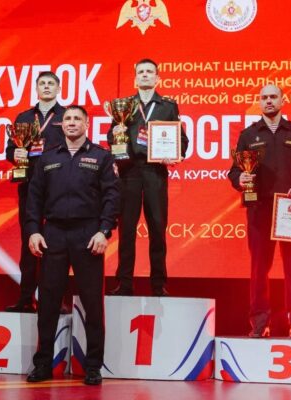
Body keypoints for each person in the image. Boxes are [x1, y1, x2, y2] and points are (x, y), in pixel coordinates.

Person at [24, 105, 119, 385]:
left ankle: (93, 366)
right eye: (67, 119)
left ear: (87, 124)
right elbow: (34, 198)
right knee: (48, 303)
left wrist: (104, 231)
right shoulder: (47, 158)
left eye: (77, 118)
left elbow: (112, 197)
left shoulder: (101, 156)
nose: (72, 122)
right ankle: (43, 364)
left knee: (92, 303)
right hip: (53, 233)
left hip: (88, 234)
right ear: (62, 125)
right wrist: (33, 231)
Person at [227, 84, 291, 339]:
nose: (268, 101)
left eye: (273, 97)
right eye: (264, 98)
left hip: (289, 209)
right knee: (259, 269)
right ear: (259, 102)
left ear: (282, 101)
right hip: (259, 209)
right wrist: (240, 179)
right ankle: (260, 324)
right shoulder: (249, 134)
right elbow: (235, 171)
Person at [107, 58, 188, 296]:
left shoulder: (167, 106)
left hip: (155, 172)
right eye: (141, 71)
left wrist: (176, 154)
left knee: (157, 229)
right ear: (135, 78)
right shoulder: (124, 105)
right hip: (129, 171)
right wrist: (115, 133)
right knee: (126, 230)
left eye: (149, 71)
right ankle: (124, 284)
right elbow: (111, 138)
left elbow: (181, 139)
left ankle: (159, 285)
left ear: (157, 78)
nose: (145, 74)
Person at [5, 71, 65, 312]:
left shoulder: (66, 115)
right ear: (37, 89)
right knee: (29, 241)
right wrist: (16, 154)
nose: (47, 87)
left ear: (58, 89)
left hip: (58, 186)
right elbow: (10, 149)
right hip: (29, 185)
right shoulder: (24, 117)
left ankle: (54, 301)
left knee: (56, 245)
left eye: (51, 83)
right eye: (42, 83)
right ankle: (25, 298)